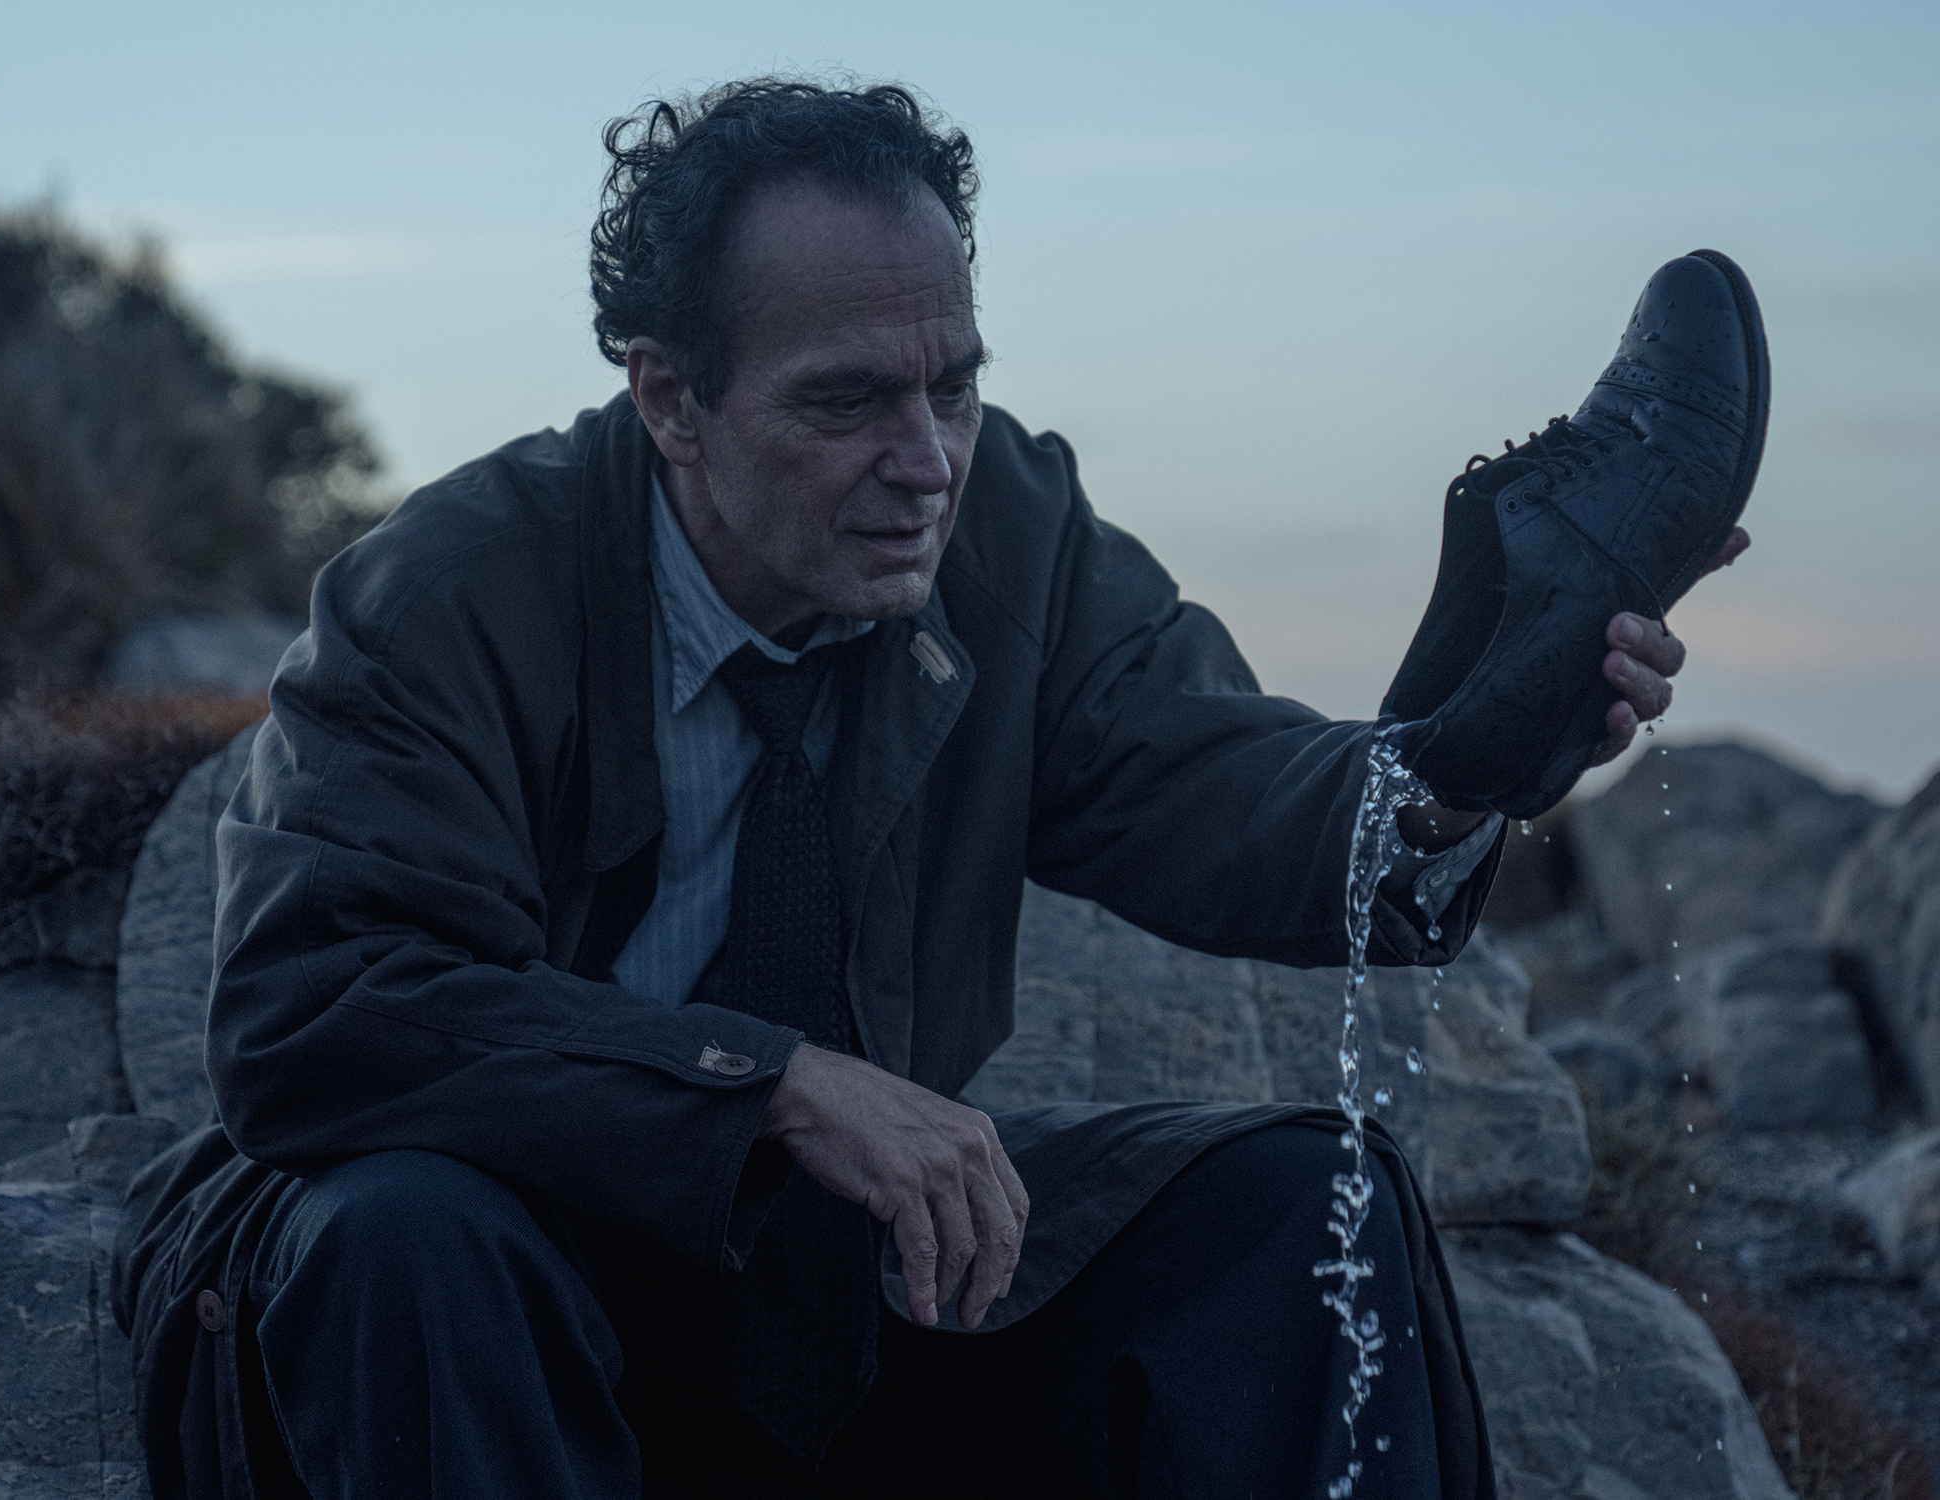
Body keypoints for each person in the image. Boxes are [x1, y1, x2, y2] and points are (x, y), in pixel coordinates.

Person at [115, 79, 1746, 1500]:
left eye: (951, 385)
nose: (928, 460)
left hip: (829, 1297)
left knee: (1295, 1210)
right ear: (670, 398)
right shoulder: (455, 590)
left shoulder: (1007, 527)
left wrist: (1459, 763)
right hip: (492, 1303)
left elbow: (1205, 776)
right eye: (847, 401)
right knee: (410, 1235)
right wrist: (766, 1086)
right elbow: (319, 1010)